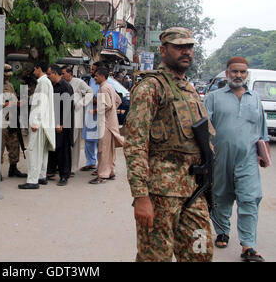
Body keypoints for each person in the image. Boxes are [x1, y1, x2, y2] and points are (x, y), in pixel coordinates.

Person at [123, 27, 215, 262]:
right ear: (163, 50)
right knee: (155, 257)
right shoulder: (151, 87)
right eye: (179, 47)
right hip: (160, 195)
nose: (187, 51)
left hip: (194, 190)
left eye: (190, 47)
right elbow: (135, 144)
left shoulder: (189, 89)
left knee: (200, 252)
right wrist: (141, 196)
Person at [204, 56, 270, 262]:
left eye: (242, 72)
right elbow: (203, 125)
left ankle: (248, 245)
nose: (238, 75)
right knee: (221, 196)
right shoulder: (214, 97)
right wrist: (206, 147)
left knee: (250, 198)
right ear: (227, 73)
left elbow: (262, 131)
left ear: (247, 74)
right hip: (220, 157)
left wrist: (263, 154)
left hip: (247, 158)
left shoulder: (255, 99)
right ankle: (222, 230)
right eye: (234, 71)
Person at [18, 62, 55, 189]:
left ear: (39, 69)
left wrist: (35, 122)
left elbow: (41, 104)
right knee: (43, 152)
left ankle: (33, 180)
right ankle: (41, 176)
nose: (34, 71)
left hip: (39, 124)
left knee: (34, 151)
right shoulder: (46, 82)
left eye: (35, 69)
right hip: (44, 123)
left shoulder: (43, 83)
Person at [89, 67, 124, 184]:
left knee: (103, 150)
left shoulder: (103, 88)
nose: (95, 77)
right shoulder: (109, 87)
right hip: (111, 122)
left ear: (102, 76)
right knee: (110, 150)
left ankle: (103, 174)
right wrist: (112, 111)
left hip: (106, 123)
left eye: (96, 75)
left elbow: (107, 105)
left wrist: (96, 111)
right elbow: (118, 101)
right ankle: (110, 171)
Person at [61, 66, 93, 175]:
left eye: (63, 73)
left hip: (75, 115)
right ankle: (64, 165)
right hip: (64, 116)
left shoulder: (78, 82)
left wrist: (80, 103)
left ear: (69, 73)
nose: (62, 75)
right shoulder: (61, 83)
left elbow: (90, 92)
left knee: (74, 142)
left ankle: (72, 167)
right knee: (64, 142)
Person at [46, 65, 74, 186]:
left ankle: (64, 175)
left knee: (63, 150)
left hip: (63, 124)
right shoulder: (52, 86)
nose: (48, 76)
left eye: (49, 74)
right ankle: (51, 171)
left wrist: (61, 123)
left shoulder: (65, 86)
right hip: (54, 121)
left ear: (55, 73)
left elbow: (67, 107)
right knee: (54, 147)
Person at [1, 64, 27, 180]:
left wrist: (18, 103)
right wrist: (9, 104)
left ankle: (13, 168)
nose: (7, 78)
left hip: (12, 119)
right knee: (0, 146)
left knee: (14, 144)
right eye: (5, 75)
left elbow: (13, 99)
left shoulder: (10, 85)